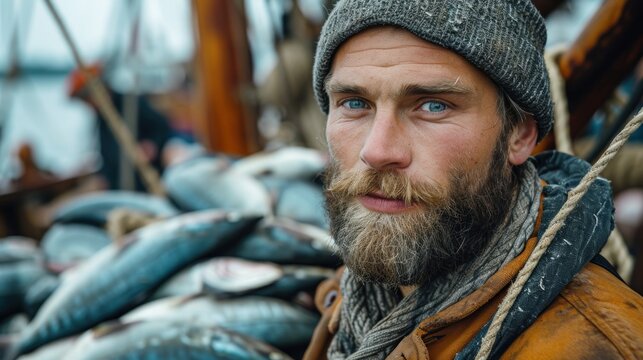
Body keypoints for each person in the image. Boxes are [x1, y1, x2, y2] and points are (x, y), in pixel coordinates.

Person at [304, 1, 643, 359]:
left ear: (520, 135)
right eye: (354, 103)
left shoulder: (591, 347)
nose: (376, 151)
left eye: (434, 105)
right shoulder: (360, 299)